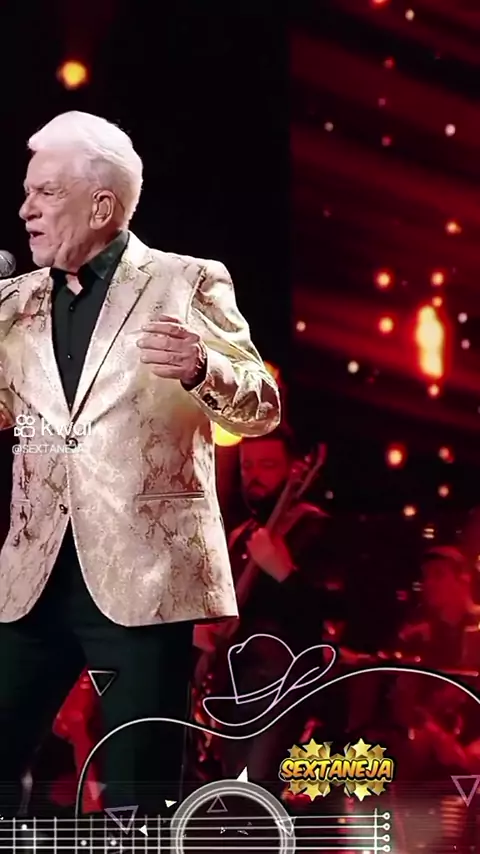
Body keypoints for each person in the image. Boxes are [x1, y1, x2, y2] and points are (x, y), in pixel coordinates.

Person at [0, 111, 280, 816]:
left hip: (144, 577)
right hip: (31, 575)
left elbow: (264, 406)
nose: (25, 209)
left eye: (45, 193)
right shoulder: (14, 301)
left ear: (101, 206)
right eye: (27, 192)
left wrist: (203, 367)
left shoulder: (188, 280)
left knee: (137, 793)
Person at [194, 427, 328, 792]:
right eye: (247, 466)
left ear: (292, 469)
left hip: (283, 694)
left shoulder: (313, 528)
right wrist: (202, 629)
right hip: (233, 691)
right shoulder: (240, 537)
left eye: (267, 465)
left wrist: (285, 573)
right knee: (231, 793)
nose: (254, 476)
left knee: (258, 792)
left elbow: (330, 618)